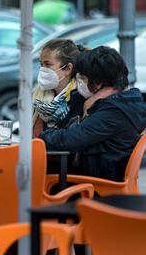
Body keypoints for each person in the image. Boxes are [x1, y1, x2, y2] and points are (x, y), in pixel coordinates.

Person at [40, 46, 146, 182]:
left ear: (99, 82)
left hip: (96, 187)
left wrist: (42, 136)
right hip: (89, 177)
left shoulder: (114, 112)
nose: (79, 84)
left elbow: (67, 140)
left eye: (83, 78)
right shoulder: (117, 102)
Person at [33, 39, 86, 138]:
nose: (42, 69)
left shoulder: (79, 98)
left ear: (68, 69)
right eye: (41, 64)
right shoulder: (37, 98)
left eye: (48, 64)